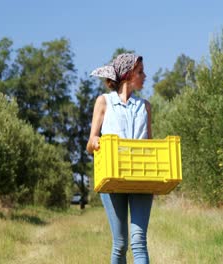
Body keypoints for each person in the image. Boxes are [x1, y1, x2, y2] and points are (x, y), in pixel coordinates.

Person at [86, 53, 153, 264]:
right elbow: (90, 143)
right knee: (121, 243)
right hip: (112, 178)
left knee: (139, 241)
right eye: (140, 72)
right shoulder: (104, 102)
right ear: (127, 75)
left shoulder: (145, 107)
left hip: (141, 178)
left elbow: (149, 145)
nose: (145, 76)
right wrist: (96, 142)